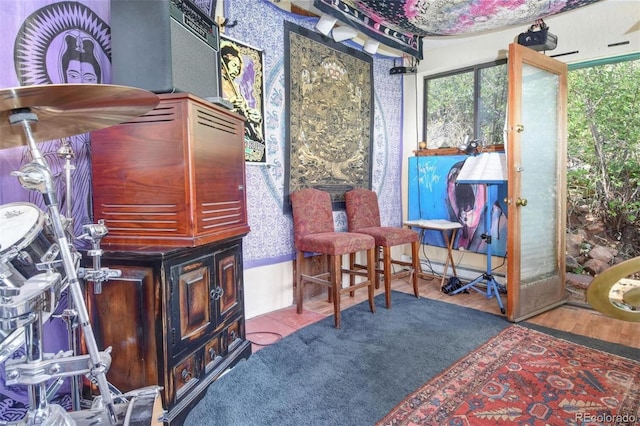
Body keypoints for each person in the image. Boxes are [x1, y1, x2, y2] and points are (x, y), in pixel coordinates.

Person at [220, 42, 262, 142]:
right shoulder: (215, 81)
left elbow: (243, 112)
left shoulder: (235, 87)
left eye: (238, 68)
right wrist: (230, 106)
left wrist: (254, 119)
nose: (236, 70)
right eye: (234, 65)